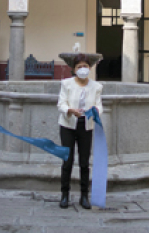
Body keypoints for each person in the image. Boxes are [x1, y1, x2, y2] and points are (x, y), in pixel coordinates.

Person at [56, 52, 103, 210]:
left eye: (85, 66)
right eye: (79, 67)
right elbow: (60, 103)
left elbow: (99, 105)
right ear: (74, 69)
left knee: (84, 162)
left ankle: (84, 195)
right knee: (67, 162)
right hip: (68, 125)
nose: (83, 69)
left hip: (86, 126)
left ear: (89, 68)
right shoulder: (66, 84)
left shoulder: (96, 86)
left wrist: (96, 110)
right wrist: (69, 110)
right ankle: (64, 195)